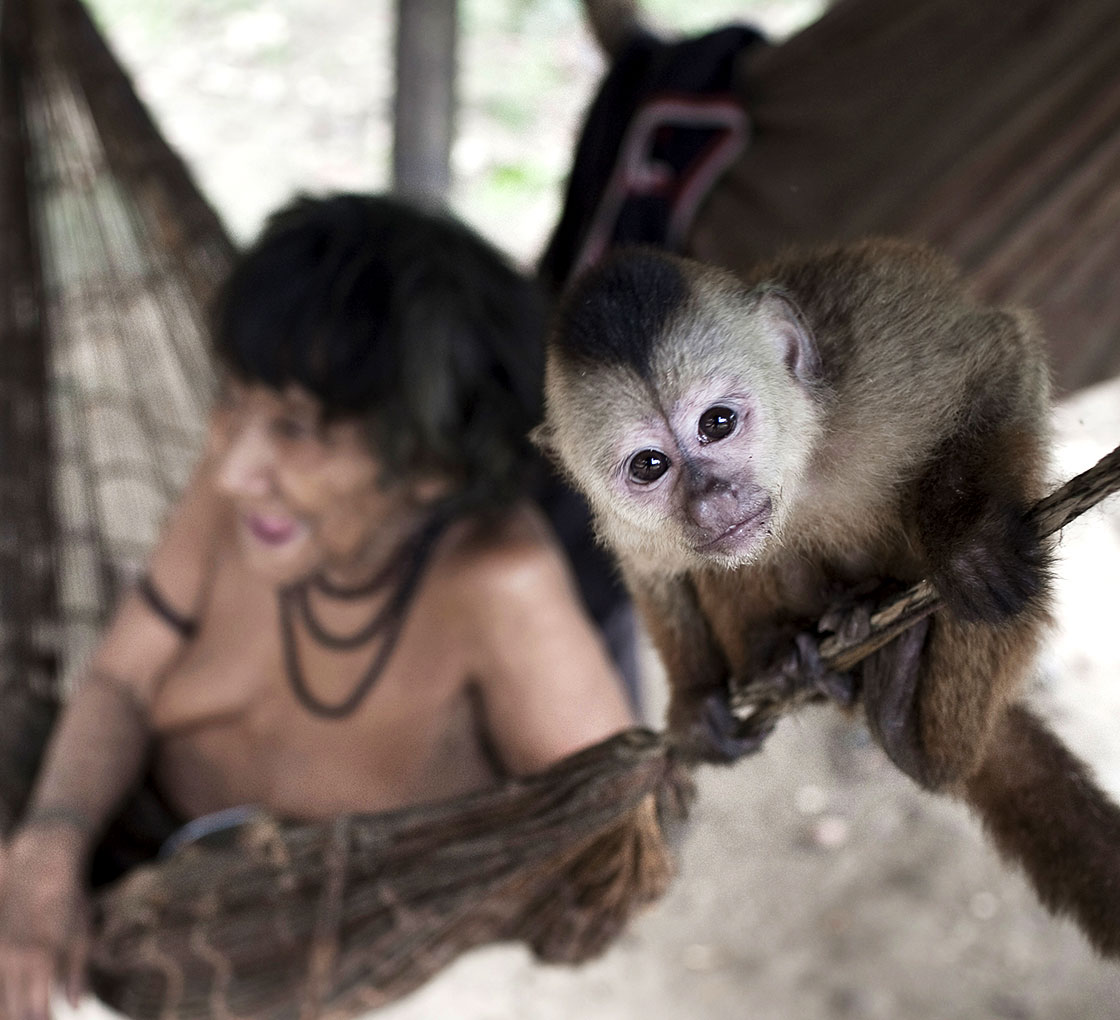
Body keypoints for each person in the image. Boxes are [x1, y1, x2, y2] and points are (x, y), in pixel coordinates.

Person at [0, 193, 634, 1020]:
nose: (233, 468)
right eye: (236, 400)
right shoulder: (245, 486)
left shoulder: (498, 589)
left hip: (310, 952)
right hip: (129, 845)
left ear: (429, 464)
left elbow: (605, 841)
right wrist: (51, 845)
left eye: (297, 429)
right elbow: (122, 677)